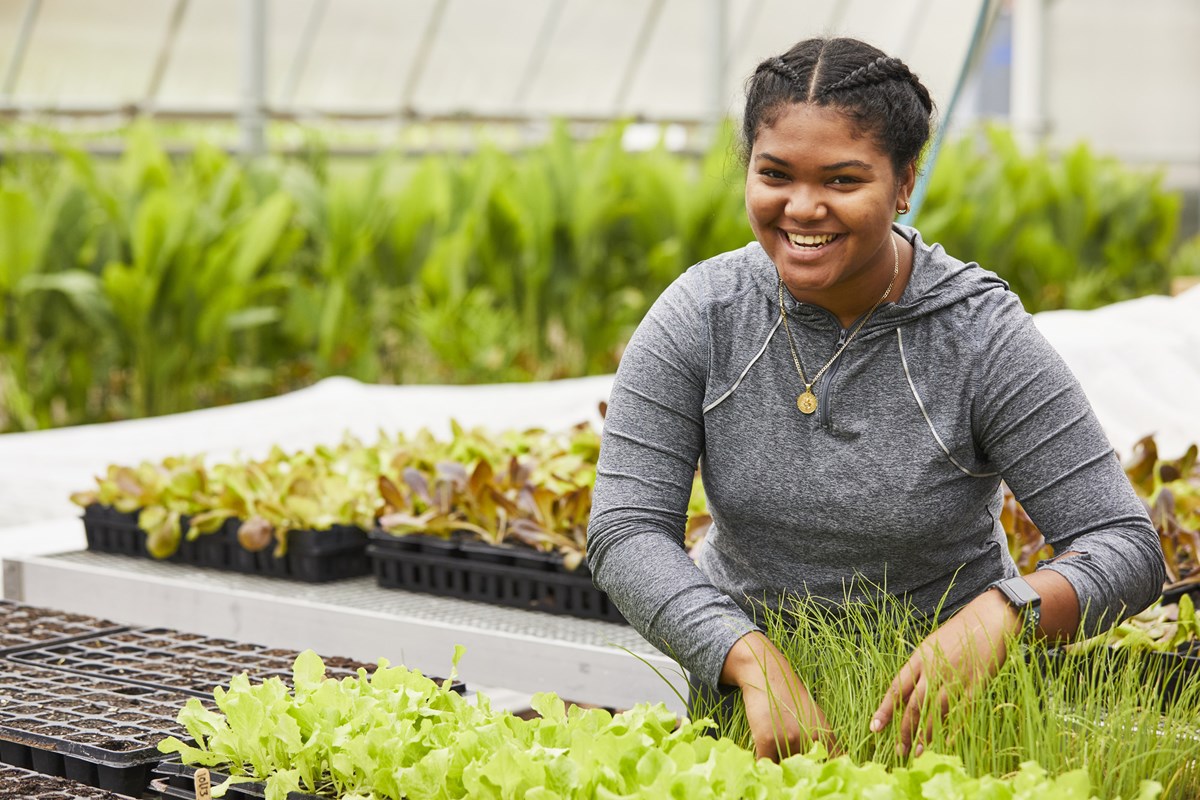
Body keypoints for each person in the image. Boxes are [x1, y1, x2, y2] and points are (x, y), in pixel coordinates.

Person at [586, 36, 1165, 762]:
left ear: (903, 184)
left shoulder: (979, 337)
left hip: (953, 729)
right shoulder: (705, 313)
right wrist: (742, 652)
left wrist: (1004, 614)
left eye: (842, 179)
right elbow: (625, 528)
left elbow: (1126, 545)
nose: (802, 208)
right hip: (746, 715)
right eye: (775, 174)